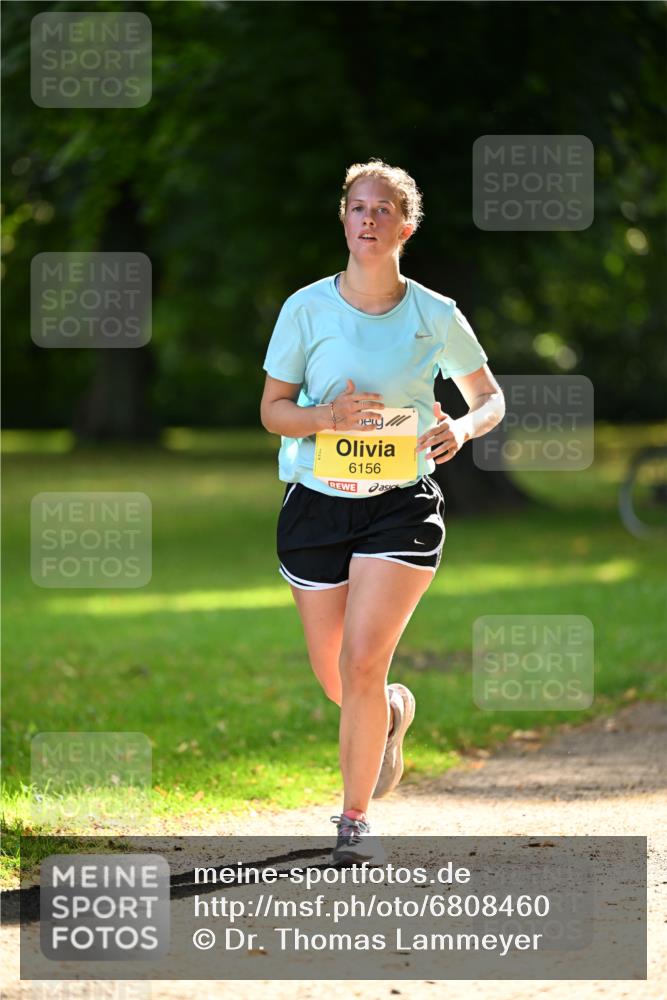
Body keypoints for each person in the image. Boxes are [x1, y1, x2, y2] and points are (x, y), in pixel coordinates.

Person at [260, 158, 505, 864]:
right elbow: (273, 412)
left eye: (382, 209)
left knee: (364, 661)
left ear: (405, 225)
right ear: (344, 218)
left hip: (400, 507)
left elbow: (488, 396)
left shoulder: (435, 314)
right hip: (314, 507)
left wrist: (460, 427)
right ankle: (394, 714)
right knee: (340, 678)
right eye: (357, 207)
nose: (368, 219)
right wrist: (325, 416)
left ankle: (354, 819)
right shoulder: (305, 309)